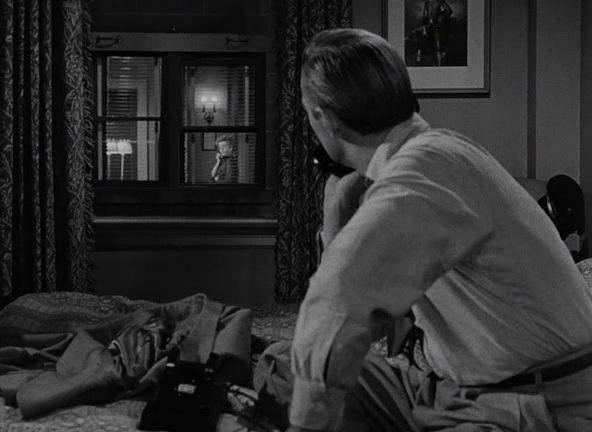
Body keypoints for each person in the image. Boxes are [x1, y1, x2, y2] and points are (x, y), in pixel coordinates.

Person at [288, 28, 592, 432]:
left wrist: (307, 425)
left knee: (307, 395)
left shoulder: (423, 171)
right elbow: (379, 316)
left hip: (530, 402)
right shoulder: (433, 156)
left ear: (323, 119)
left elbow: (340, 296)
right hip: (460, 389)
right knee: (281, 367)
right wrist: (337, 220)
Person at [421, 0, 453, 66]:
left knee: (438, 48)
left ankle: (439, 66)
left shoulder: (439, 1)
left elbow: (449, 11)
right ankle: (435, 66)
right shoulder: (427, 2)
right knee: (432, 49)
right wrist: (424, 29)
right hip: (429, 28)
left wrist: (440, 18)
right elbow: (424, 16)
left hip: (438, 28)